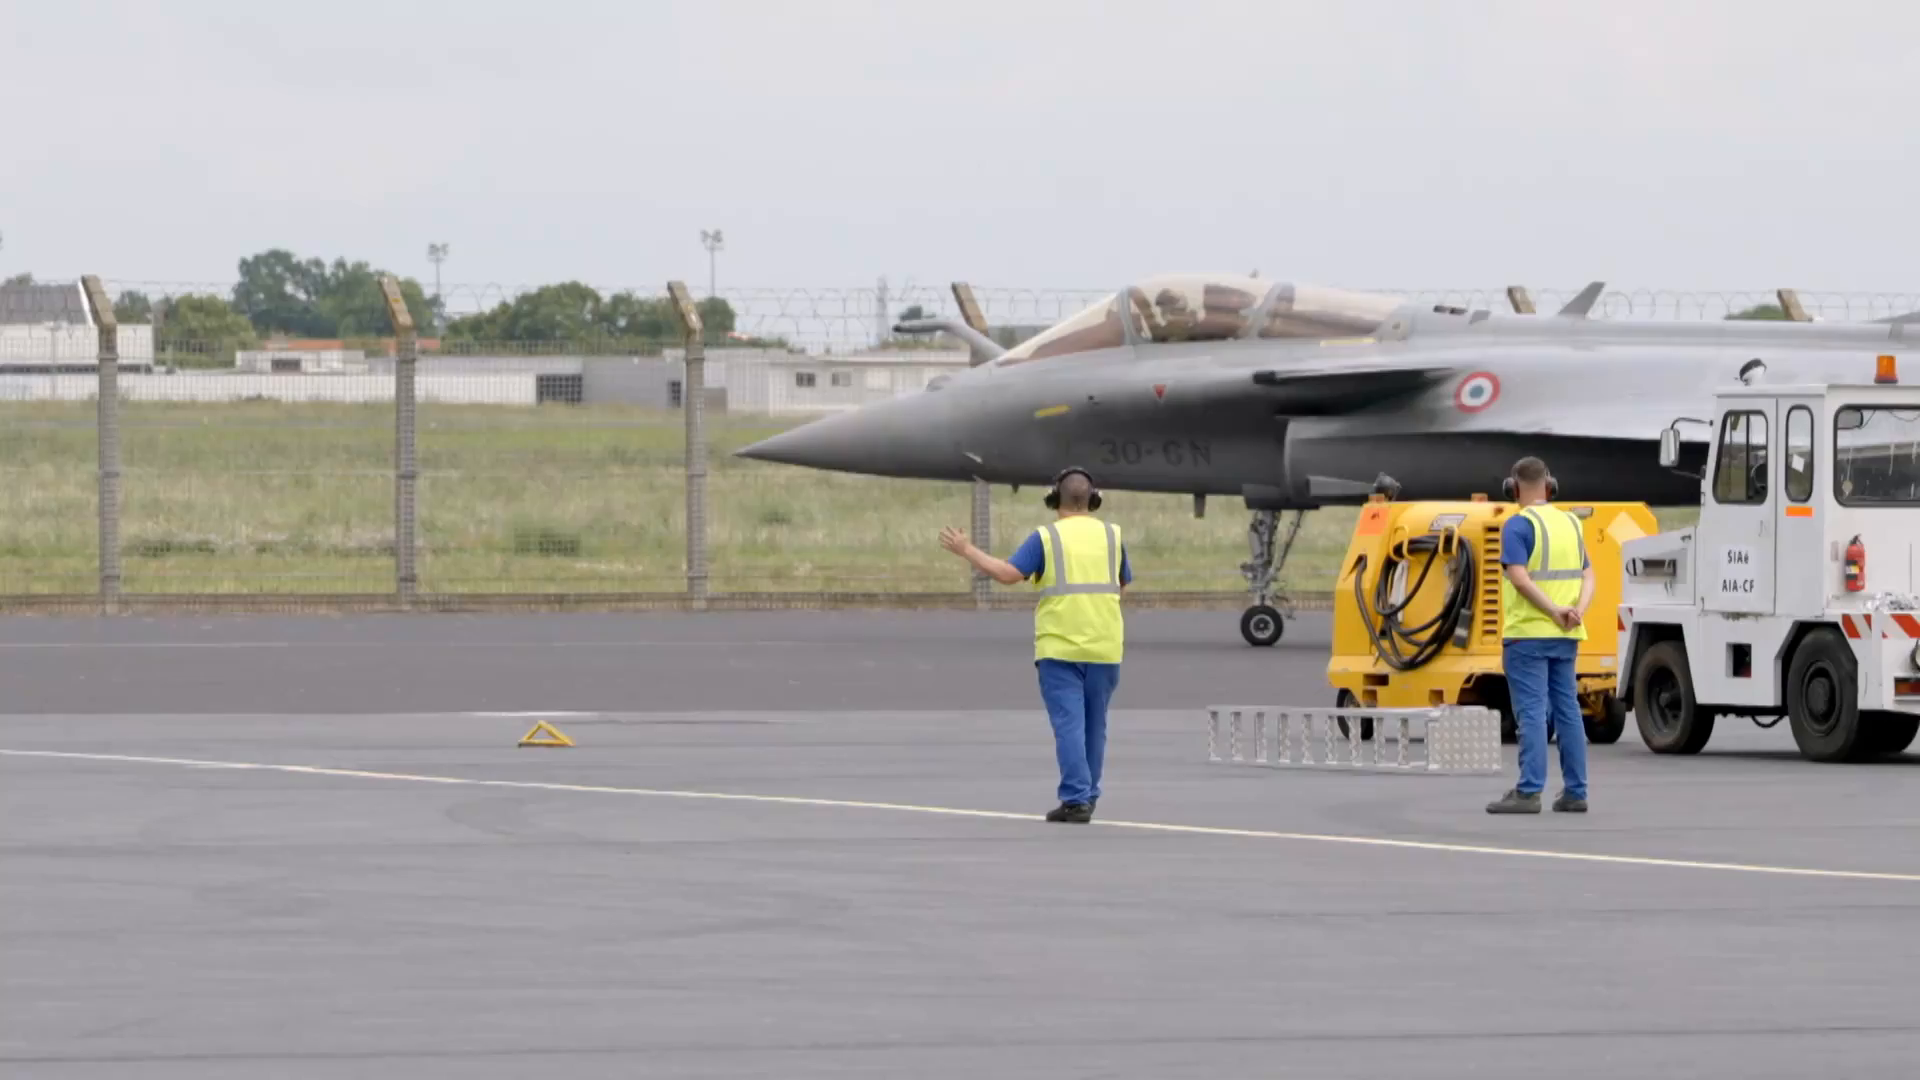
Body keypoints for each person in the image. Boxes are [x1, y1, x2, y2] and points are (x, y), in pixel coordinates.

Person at [939, 467, 1131, 824]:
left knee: (1069, 724)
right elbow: (1122, 585)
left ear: (1054, 498)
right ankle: (1088, 795)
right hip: (1106, 647)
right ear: (1094, 498)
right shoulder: (1112, 535)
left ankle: (1076, 801)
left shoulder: (1046, 538)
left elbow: (1008, 574)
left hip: (1059, 648)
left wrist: (967, 550)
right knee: (1095, 726)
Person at [1486, 456, 1595, 815]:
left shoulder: (1518, 525)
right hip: (1567, 635)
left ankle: (1529, 791)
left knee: (1531, 712)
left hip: (1528, 636)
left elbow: (1518, 577)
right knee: (1568, 711)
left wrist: (1551, 611)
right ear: (1549, 485)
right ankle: (1576, 791)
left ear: (1514, 488)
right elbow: (1589, 576)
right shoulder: (1570, 523)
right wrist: (1575, 610)